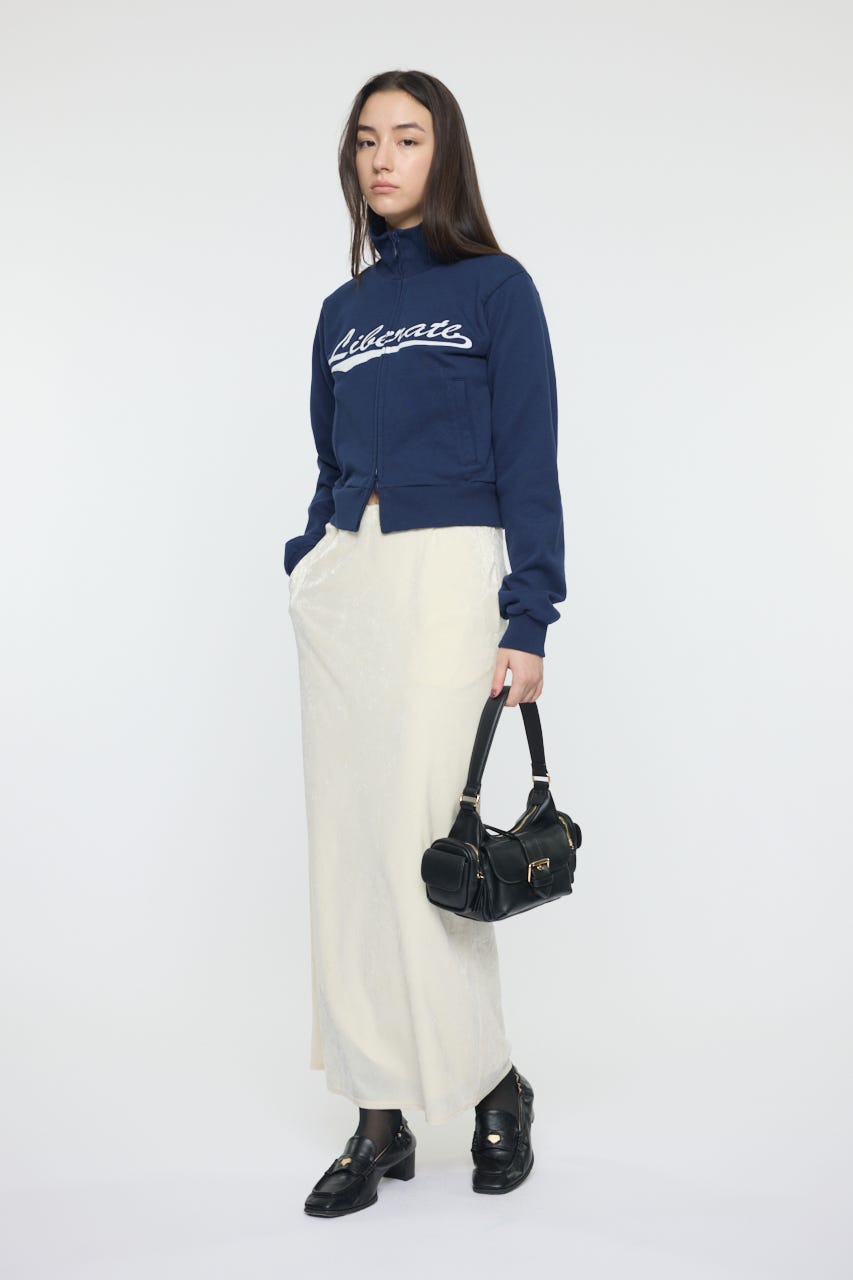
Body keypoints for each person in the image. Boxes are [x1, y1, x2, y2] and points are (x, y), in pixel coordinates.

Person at [284, 69, 565, 1217]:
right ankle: (377, 1111)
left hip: (448, 576)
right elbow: (326, 453)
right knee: (348, 858)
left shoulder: (496, 287)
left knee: (423, 853)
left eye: (406, 138)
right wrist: (310, 553)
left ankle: (493, 1081)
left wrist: (529, 613)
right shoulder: (341, 311)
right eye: (366, 141)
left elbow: (530, 455)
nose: (382, 160)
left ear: (444, 156)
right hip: (347, 585)